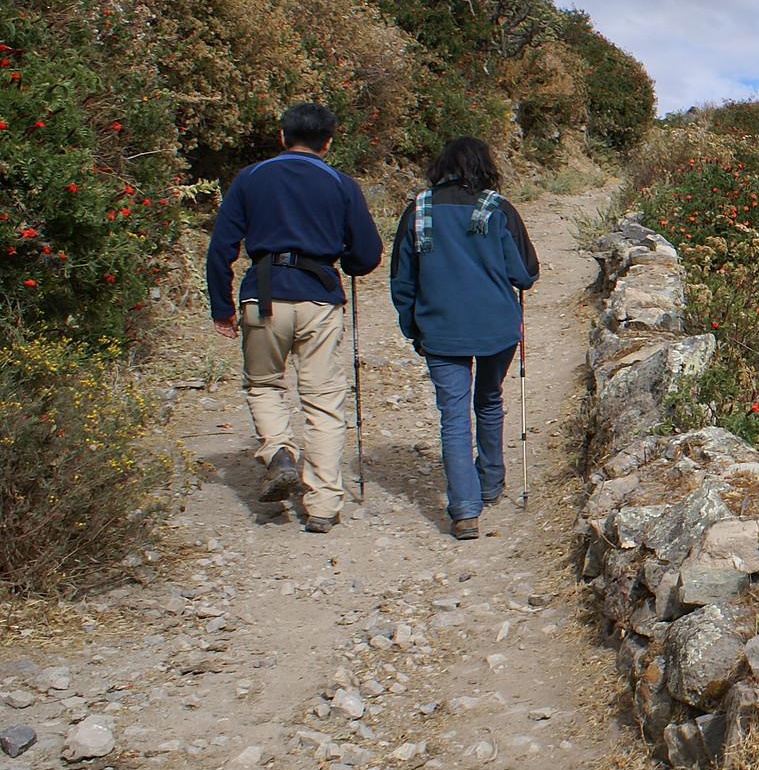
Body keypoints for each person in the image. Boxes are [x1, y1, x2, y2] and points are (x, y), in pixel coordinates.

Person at [206, 102, 384, 532]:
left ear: (283, 136)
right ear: (329, 141)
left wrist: (222, 308)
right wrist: (348, 260)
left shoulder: (249, 178)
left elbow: (221, 247)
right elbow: (367, 254)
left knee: (264, 385)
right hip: (319, 296)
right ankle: (322, 505)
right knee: (323, 402)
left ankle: (279, 452)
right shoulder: (341, 183)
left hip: (262, 294)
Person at [388, 137, 540, 540]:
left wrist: (413, 328)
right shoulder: (498, 209)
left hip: (440, 331)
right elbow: (525, 274)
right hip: (497, 328)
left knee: (453, 416)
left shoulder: (418, 210)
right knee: (488, 400)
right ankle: (491, 483)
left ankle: (464, 511)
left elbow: (402, 281)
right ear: (485, 166)